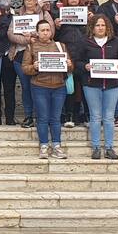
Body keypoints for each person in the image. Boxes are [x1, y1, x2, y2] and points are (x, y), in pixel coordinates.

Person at [76, 14, 118, 160]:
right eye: (97, 25)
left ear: (107, 27)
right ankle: (96, 147)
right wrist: (84, 66)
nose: (100, 28)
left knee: (109, 117)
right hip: (91, 84)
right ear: (92, 27)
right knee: (95, 116)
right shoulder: (85, 42)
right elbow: (77, 60)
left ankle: (109, 147)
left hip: (111, 84)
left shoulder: (115, 41)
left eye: (103, 25)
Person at [21, 19, 73, 159]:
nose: (45, 32)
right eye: (42, 30)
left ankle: (57, 146)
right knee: (43, 118)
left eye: (47, 30)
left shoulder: (60, 45)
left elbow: (70, 67)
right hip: (39, 86)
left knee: (55, 118)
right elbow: (25, 68)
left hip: (59, 86)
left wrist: (69, 64)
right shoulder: (31, 47)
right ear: (37, 33)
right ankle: (44, 145)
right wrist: (34, 67)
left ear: (51, 31)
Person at [7, 0, 54, 129]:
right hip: (20, 55)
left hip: (40, 54)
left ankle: (42, 116)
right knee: (26, 87)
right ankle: (28, 116)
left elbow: (50, 31)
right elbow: (10, 34)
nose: (29, 0)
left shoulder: (44, 14)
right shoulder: (17, 15)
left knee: (40, 86)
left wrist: (34, 35)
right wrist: (26, 40)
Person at [54, 0, 90, 129]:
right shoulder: (58, 14)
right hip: (67, 54)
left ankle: (87, 115)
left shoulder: (87, 13)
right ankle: (68, 115)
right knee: (69, 87)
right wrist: (56, 27)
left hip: (84, 55)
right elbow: (53, 38)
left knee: (86, 86)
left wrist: (91, 20)